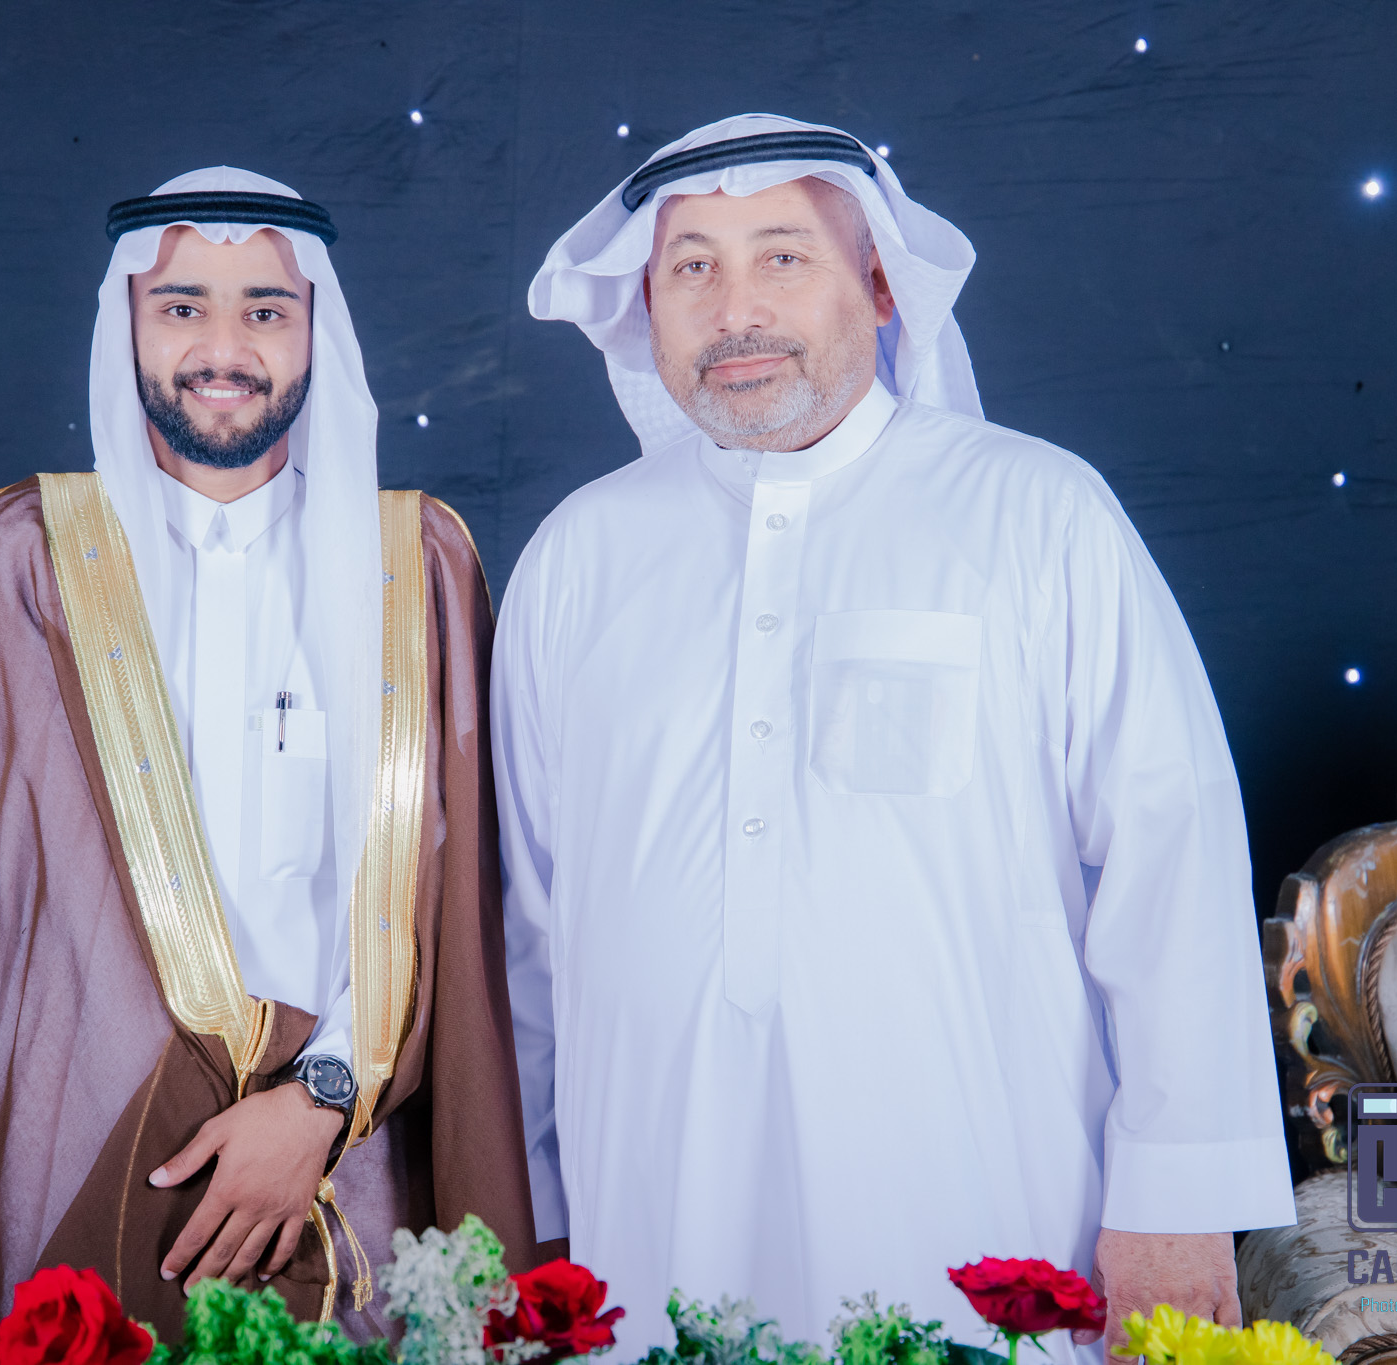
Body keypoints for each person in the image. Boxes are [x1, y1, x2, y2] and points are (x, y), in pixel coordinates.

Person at [494, 114, 1296, 1361]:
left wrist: (1176, 1204)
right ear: (644, 308)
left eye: (781, 257)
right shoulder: (575, 559)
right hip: (648, 1212)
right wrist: (530, 1212)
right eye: (691, 267)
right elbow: (534, 931)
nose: (734, 310)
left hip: (984, 1204)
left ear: (877, 288)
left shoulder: (1037, 513)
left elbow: (1170, 872)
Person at [0, 167, 535, 1346]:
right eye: (181, 306)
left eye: (264, 309)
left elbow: (461, 900)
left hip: (351, 1162)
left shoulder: (419, 565)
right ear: (127, 325)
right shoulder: (10, 561)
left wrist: (319, 1100)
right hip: (68, 1140)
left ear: (314, 331)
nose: (223, 347)